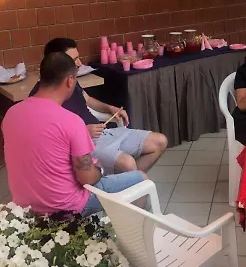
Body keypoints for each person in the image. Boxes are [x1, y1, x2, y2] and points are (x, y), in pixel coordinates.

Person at [2, 52, 147, 216]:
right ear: (70, 80)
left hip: (24, 206)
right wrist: (99, 170)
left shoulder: (11, 114)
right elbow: (87, 178)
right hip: (66, 207)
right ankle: (131, 230)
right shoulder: (71, 121)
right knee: (141, 180)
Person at [29, 38, 167, 175]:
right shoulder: (41, 98)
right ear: (57, 61)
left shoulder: (71, 80)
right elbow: (50, 138)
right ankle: (127, 182)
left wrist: (110, 108)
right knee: (128, 164)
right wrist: (82, 132)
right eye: (74, 59)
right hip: (83, 145)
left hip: (103, 133)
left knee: (160, 142)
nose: (80, 63)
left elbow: (87, 99)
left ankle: (124, 182)